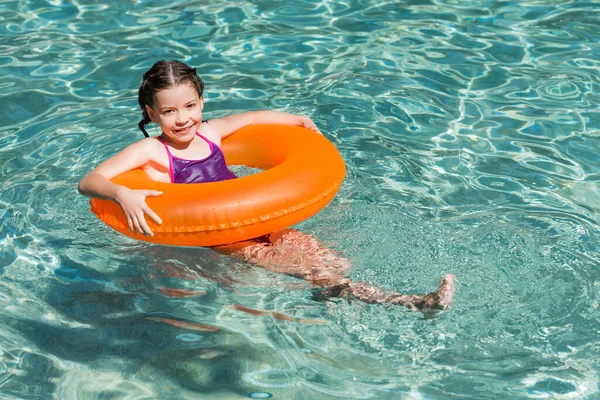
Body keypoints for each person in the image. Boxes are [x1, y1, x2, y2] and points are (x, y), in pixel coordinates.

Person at [78, 60, 455, 311]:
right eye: (169, 111)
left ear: (201, 102)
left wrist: (297, 120)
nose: (182, 119)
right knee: (308, 269)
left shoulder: (211, 132)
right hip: (223, 237)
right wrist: (121, 192)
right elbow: (89, 181)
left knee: (328, 261)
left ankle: (363, 297)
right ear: (151, 114)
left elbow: (254, 117)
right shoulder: (151, 151)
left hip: (261, 220)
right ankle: (412, 302)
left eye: (190, 106)